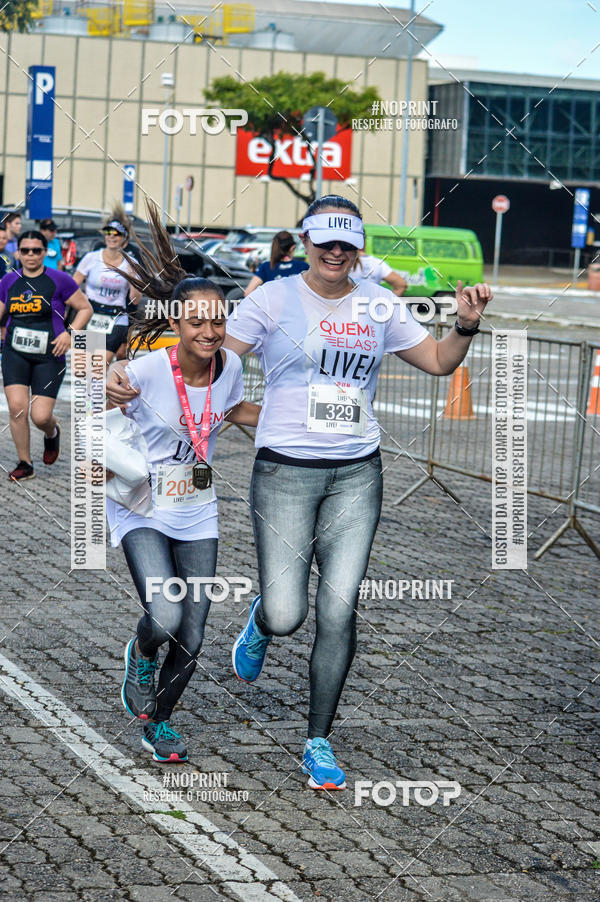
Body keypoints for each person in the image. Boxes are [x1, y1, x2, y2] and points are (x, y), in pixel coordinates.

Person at [107, 194, 491, 789]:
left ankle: (318, 742)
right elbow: (206, 356)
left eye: (346, 242)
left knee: (339, 610)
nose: (335, 251)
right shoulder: (272, 299)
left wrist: (463, 325)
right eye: (324, 241)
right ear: (307, 241)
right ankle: (264, 618)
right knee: (289, 614)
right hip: (284, 469)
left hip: (357, 471)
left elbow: (441, 362)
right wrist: (127, 375)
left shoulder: (380, 304)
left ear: (358, 246)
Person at [108, 202, 260, 763]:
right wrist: (108, 377)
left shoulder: (232, 368)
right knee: (167, 615)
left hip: (197, 507)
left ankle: (160, 722)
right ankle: (142, 650)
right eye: (197, 321)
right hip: (141, 505)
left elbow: (235, 409)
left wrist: (298, 424)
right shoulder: (147, 368)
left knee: (193, 636)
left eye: (218, 320)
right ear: (175, 321)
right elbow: (108, 385)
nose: (209, 330)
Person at [0, 230, 92, 481]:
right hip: (15, 354)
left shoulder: (60, 280)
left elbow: (85, 308)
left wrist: (70, 334)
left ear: (44, 252)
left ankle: (52, 433)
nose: (31, 255)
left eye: (36, 250)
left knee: (39, 415)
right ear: (18, 252)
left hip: (50, 355)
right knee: (17, 409)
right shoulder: (8, 282)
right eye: (25, 250)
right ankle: (25, 463)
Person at [73, 207, 141, 365]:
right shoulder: (91, 258)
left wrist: (133, 279)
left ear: (124, 239)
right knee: (82, 370)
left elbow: (135, 300)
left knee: (99, 366)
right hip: (91, 315)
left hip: (116, 318)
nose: (111, 237)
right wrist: (82, 299)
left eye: (116, 234)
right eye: (108, 233)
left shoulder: (131, 263)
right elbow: (72, 286)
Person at [243, 231, 308, 296]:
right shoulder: (303, 267)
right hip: (296, 305)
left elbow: (248, 292)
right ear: (292, 247)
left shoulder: (266, 267)